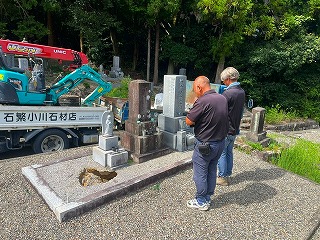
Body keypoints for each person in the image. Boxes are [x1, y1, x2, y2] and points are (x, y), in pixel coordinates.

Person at [185, 76, 229, 210]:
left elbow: (189, 121)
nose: (195, 93)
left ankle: (201, 200)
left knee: (200, 172)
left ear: (199, 87)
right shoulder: (222, 98)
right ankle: (207, 197)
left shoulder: (203, 101)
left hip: (205, 144)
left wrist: (195, 105)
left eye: (195, 90)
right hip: (220, 142)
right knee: (211, 170)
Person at [217, 67, 245, 186]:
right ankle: (227, 174)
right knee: (229, 152)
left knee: (222, 152)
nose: (223, 82)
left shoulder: (228, 93)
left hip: (226, 129)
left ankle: (222, 177)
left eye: (224, 80)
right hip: (235, 127)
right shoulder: (241, 91)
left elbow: (219, 112)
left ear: (228, 79)